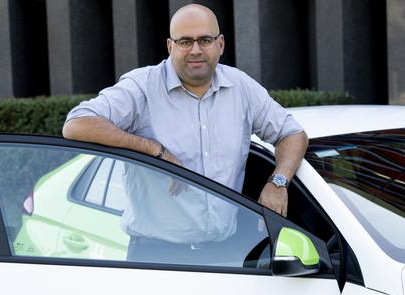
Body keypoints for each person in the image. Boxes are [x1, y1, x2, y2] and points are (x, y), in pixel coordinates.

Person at [62, 4, 307, 263]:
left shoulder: (241, 87)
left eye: (205, 40)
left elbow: (292, 134)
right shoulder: (142, 87)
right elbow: (77, 124)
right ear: (170, 47)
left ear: (220, 44)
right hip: (157, 257)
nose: (196, 50)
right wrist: (155, 151)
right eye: (185, 41)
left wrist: (278, 182)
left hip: (228, 254)